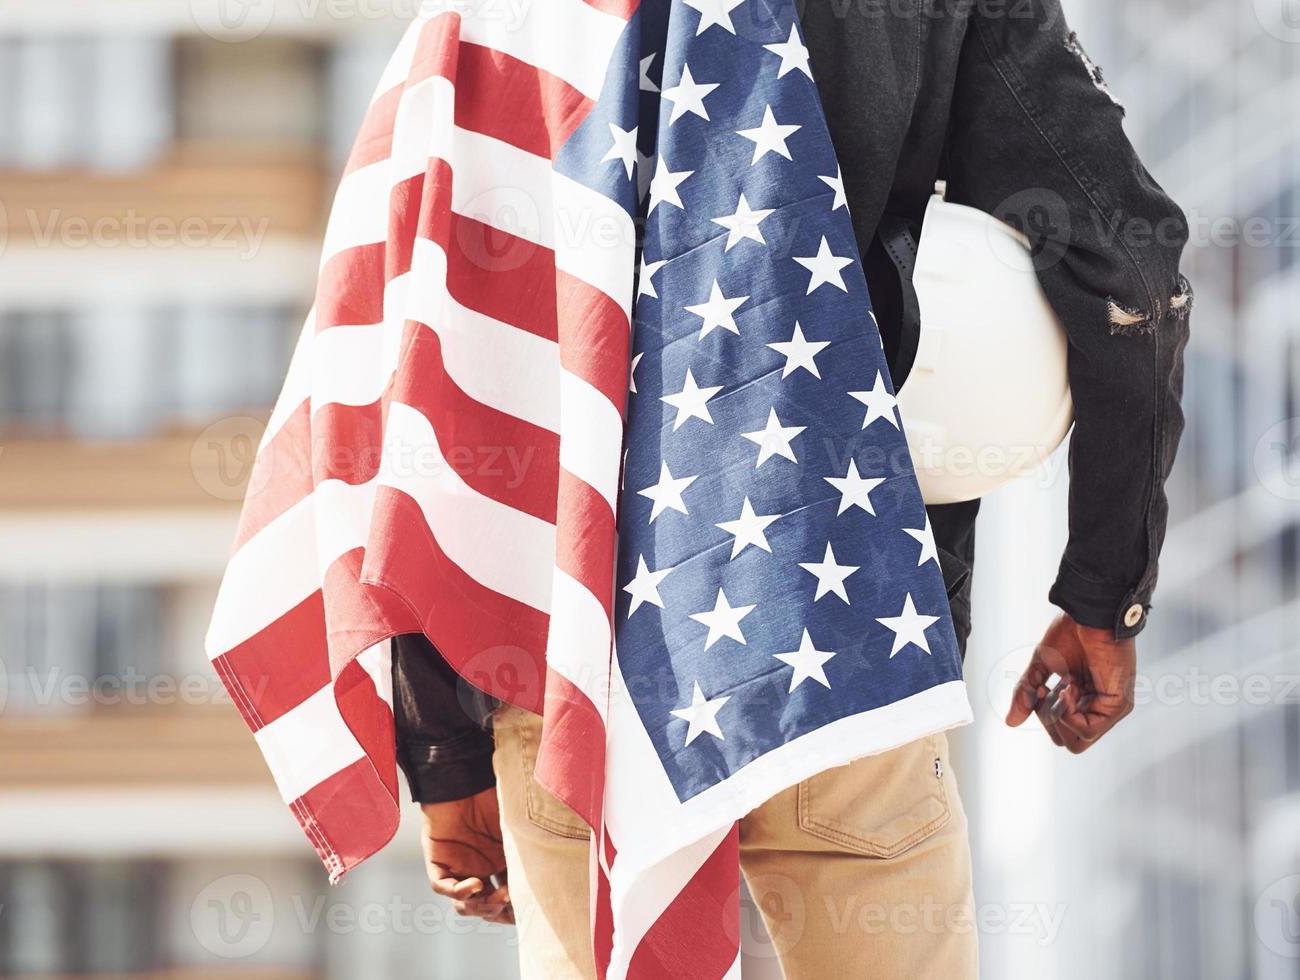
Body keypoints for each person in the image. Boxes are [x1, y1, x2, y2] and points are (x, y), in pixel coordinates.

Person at [392, 0, 1191, 975]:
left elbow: (433, 335)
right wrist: (1104, 595)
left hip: (569, 646)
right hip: (847, 628)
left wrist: (444, 740)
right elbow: (1129, 267)